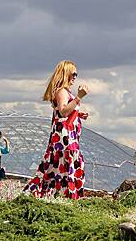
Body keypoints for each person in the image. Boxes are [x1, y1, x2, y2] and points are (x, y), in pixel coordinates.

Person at [23, 60, 89, 199]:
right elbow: (64, 111)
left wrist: (77, 113)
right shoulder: (61, 91)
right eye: (73, 73)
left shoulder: (65, 92)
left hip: (67, 135)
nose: (75, 77)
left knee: (59, 164)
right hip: (64, 137)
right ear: (66, 74)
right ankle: (65, 194)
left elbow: (63, 112)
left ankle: (58, 193)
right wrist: (78, 98)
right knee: (64, 162)